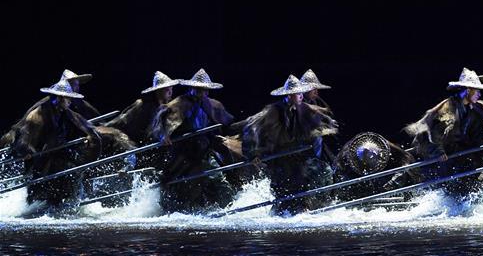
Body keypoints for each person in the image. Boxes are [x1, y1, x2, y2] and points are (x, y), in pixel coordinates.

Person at [242, 74, 338, 215]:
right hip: (280, 159)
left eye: (301, 93)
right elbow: (251, 127)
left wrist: (328, 123)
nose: (301, 96)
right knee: (283, 193)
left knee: (318, 175)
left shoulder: (302, 108)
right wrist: (253, 154)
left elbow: (319, 118)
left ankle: (315, 207)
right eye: (298, 93)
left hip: (297, 159)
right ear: (290, 95)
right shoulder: (273, 111)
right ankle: (277, 215)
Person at [404, 68, 483, 199]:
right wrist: (439, 151)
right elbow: (433, 133)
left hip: (466, 157)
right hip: (449, 159)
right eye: (477, 91)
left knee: (482, 179)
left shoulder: (474, 109)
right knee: (455, 188)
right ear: (468, 91)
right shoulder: (447, 108)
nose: (479, 95)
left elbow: (478, 133)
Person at [150, 69, 236, 213]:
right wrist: (163, 136)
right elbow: (160, 123)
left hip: (205, 151)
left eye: (204, 90)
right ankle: (166, 209)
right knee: (169, 180)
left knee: (221, 182)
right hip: (184, 151)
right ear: (192, 88)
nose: (201, 93)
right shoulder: (179, 104)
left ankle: (226, 210)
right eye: (198, 89)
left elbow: (227, 125)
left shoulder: (212, 104)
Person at [9, 78, 102, 211]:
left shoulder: (65, 112)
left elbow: (86, 126)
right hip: (39, 159)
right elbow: (23, 140)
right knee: (40, 193)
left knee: (68, 169)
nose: (70, 101)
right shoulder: (37, 115)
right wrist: (27, 152)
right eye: (67, 98)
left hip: (57, 155)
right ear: (59, 98)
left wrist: (87, 136)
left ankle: (64, 204)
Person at [0, 69, 99, 148]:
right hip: (39, 141)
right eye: (74, 84)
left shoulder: (77, 102)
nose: (77, 87)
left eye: (77, 84)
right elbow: (27, 121)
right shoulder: (47, 104)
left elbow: (88, 115)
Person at [333, 132, 417, 200]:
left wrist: (397, 177)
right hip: (356, 175)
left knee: (407, 174)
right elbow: (338, 172)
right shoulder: (345, 158)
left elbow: (407, 159)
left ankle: (409, 197)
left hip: (387, 172)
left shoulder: (385, 146)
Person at [105, 71, 180, 144]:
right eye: (167, 90)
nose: (170, 93)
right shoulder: (145, 105)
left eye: (171, 89)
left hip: (133, 140)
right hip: (123, 137)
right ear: (158, 90)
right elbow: (126, 125)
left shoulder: (161, 107)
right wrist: (161, 136)